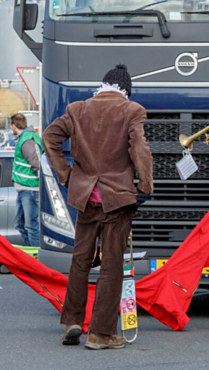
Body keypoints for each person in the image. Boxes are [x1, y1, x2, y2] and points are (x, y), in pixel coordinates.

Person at [44, 64, 154, 350]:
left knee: (80, 260)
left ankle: (72, 321)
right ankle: (101, 333)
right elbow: (140, 149)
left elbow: (49, 138)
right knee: (111, 266)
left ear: (103, 85)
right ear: (126, 90)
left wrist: (67, 175)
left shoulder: (77, 109)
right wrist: (145, 186)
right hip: (117, 199)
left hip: (85, 198)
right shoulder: (132, 110)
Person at [11, 113, 44, 248]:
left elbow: (36, 163)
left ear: (14, 126)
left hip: (30, 190)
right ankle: (31, 252)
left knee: (30, 226)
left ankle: (35, 254)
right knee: (20, 224)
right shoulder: (26, 138)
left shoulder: (27, 140)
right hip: (24, 189)